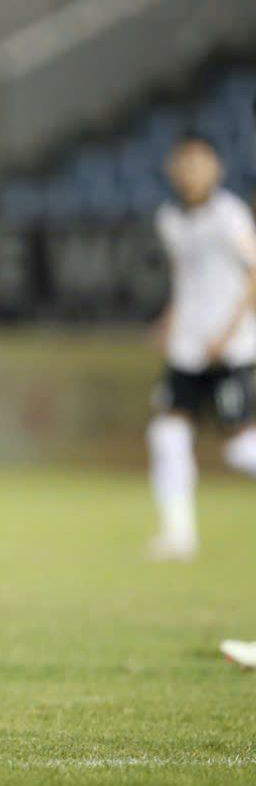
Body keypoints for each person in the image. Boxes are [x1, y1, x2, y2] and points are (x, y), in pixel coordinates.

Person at [147, 133, 256, 561]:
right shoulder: (169, 220)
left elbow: (253, 274)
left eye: (199, 162)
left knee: (240, 447)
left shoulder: (230, 215)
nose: (191, 171)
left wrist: (228, 333)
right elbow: (184, 279)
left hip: (231, 350)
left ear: (217, 168)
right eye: (184, 162)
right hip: (188, 348)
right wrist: (169, 321)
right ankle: (178, 536)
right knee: (167, 433)